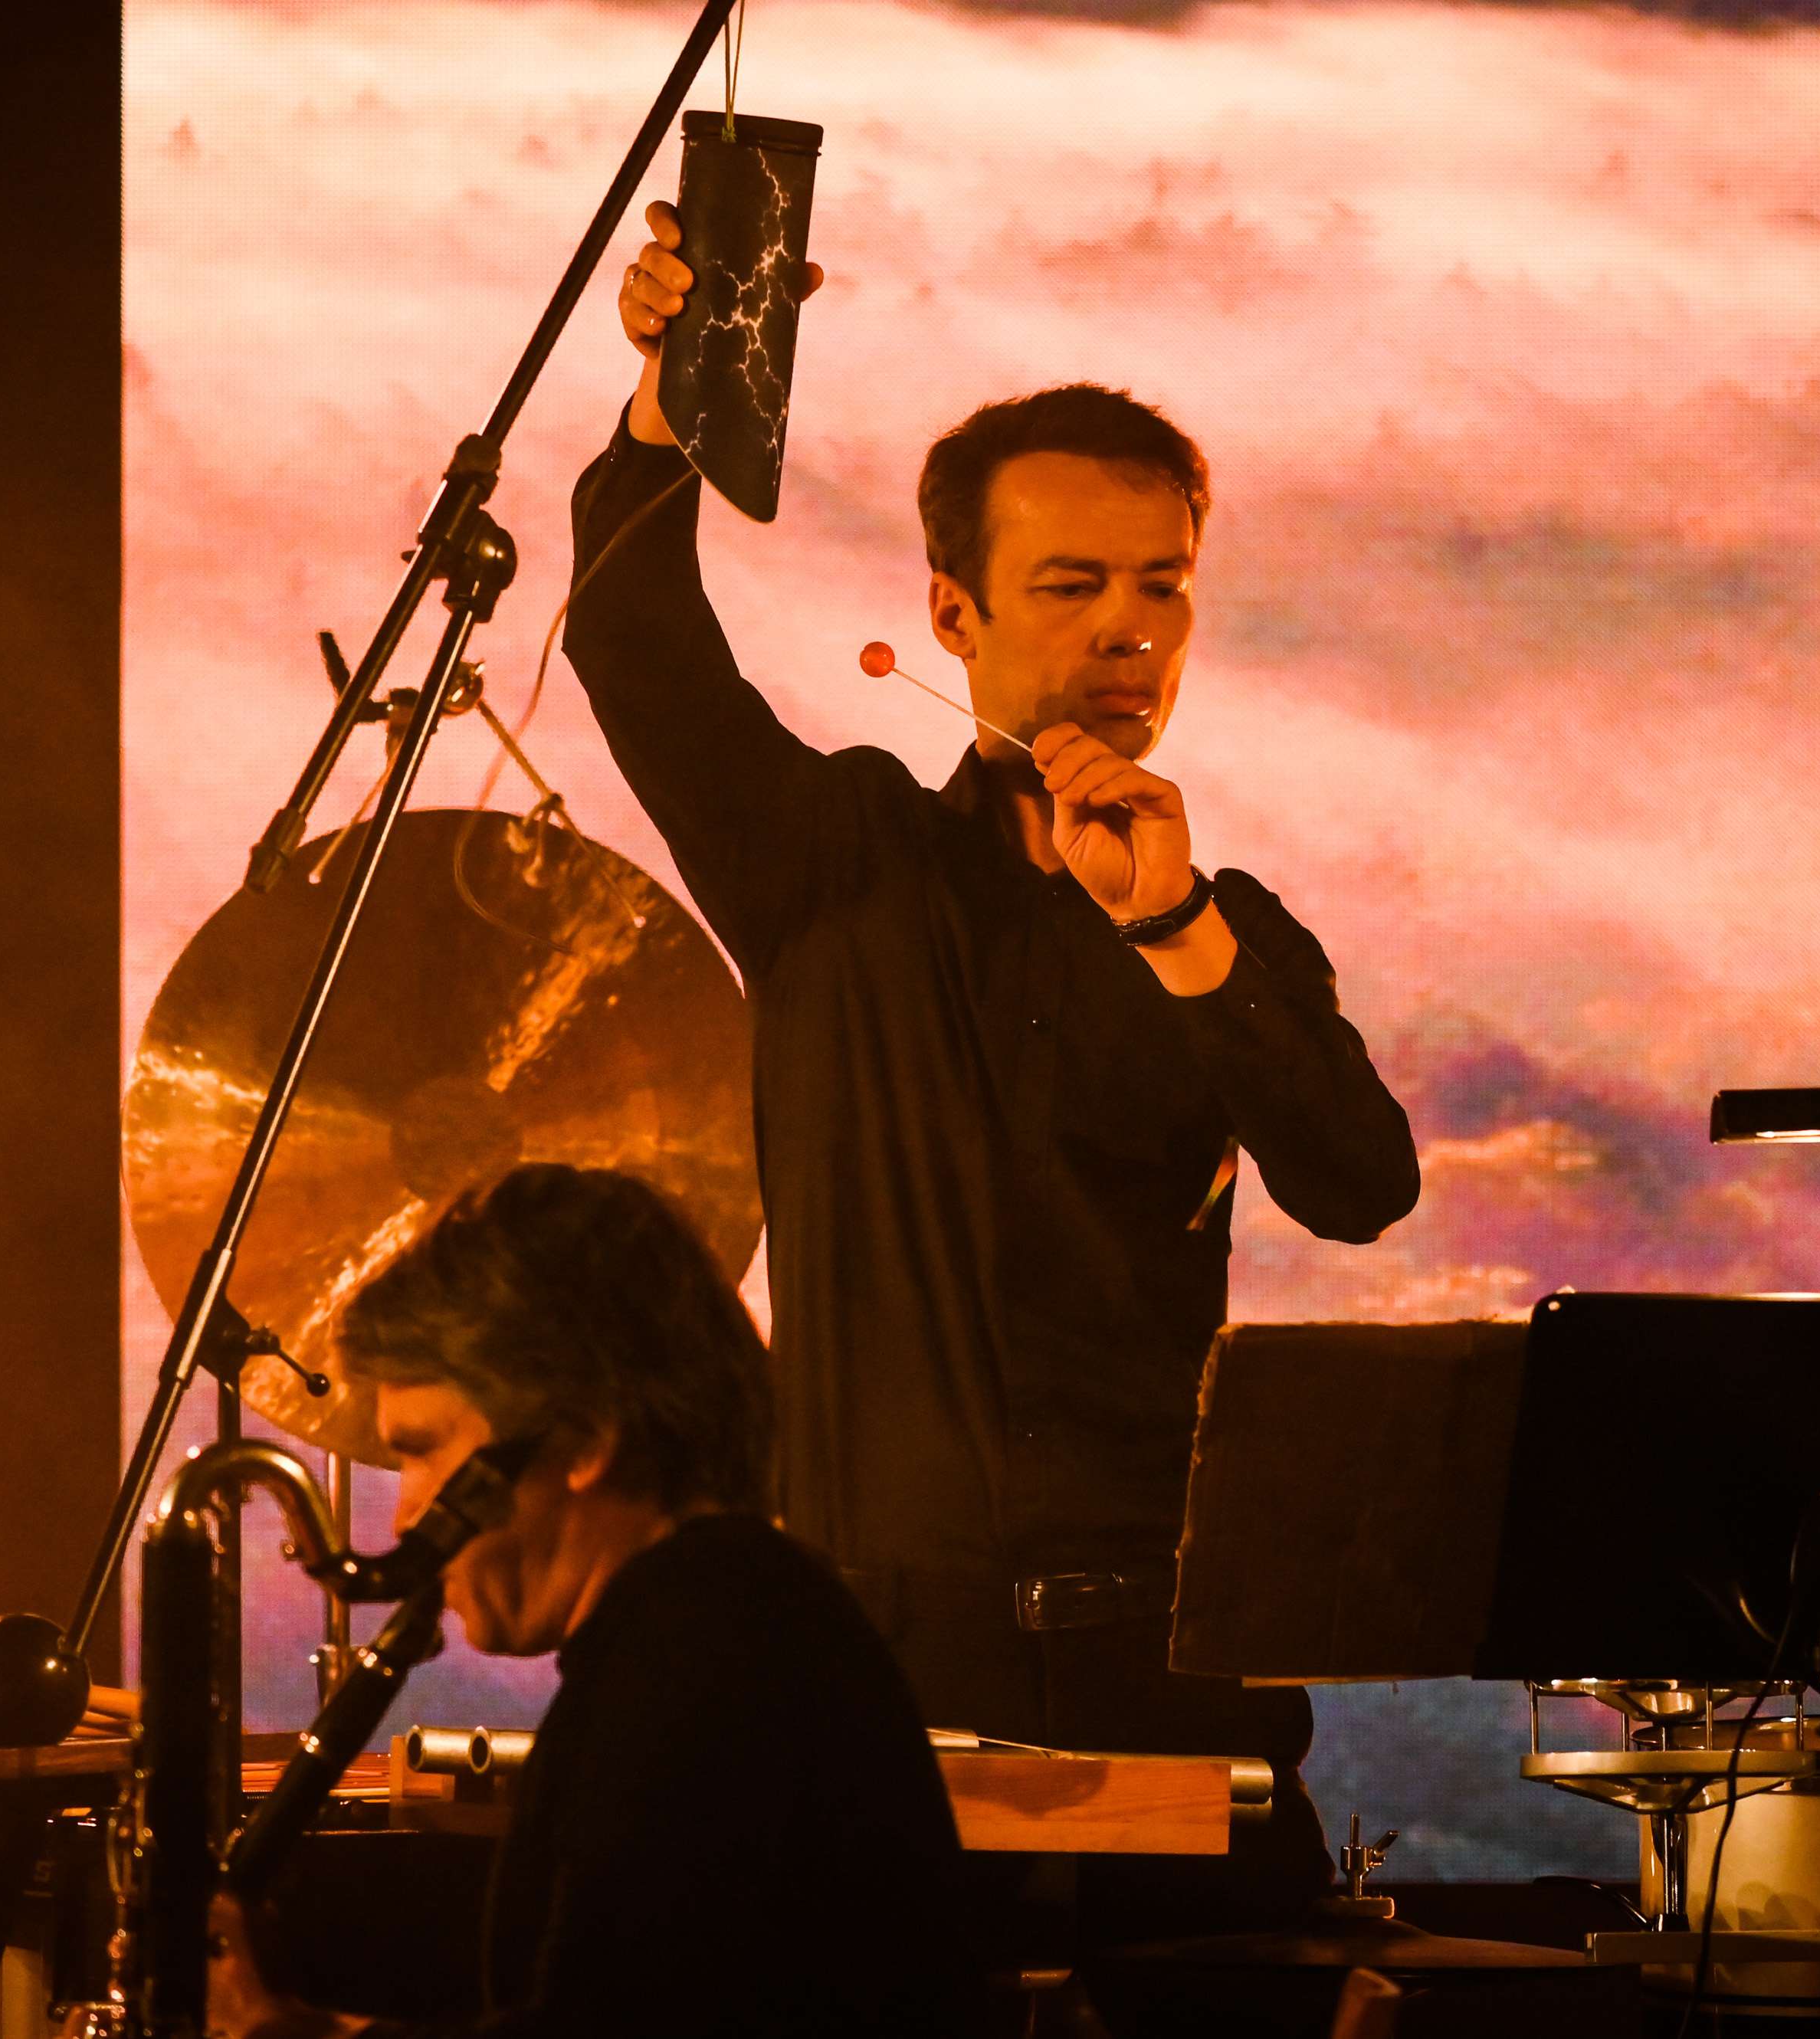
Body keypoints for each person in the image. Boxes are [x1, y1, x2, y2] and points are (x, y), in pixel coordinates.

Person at [562, 202, 1423, 1940]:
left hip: (1167, 1674)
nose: (1130, 629)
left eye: (1163, 586)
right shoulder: (835, 861)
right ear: (952, 613)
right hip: (883, 1671)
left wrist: (1174, 925)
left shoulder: (1228, 929)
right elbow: (629, 634)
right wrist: (669, 402)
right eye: (1072, 586)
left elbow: (1361, 1182)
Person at [206, 1162, 983, 2039]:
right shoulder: (714, 1619)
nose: (406, 1513)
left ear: (582, 1443)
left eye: (422, 1452)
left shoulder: (706, 1656)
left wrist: (274, 2034)